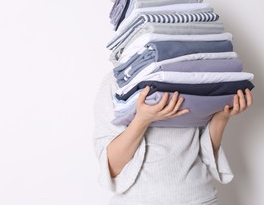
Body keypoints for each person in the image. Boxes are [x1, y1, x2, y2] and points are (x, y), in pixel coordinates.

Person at [93, 71, 253, 205]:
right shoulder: (117, 83)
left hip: (198, 198)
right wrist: (142, 120)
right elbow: (112, 166)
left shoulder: (198, 75)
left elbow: (205, 153)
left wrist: (221, 117)